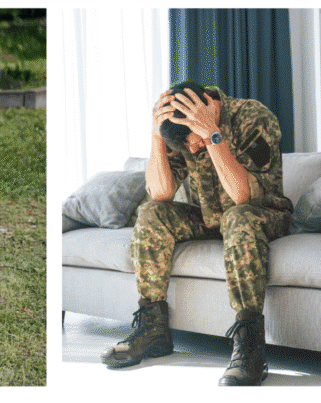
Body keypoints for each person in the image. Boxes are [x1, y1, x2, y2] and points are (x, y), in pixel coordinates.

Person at [100, 81, 293, 386]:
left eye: (192, 141)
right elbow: (160, 192)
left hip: (262, 214)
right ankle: (153, 328)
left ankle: (250, 345)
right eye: (185, 145)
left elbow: (243, 195)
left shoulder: (253, 116)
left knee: (237, 217)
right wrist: (157, 134)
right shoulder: (181, 131)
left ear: (207, 110)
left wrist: (211, 134)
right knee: (151, 213)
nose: (191, 149)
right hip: (211, 219)